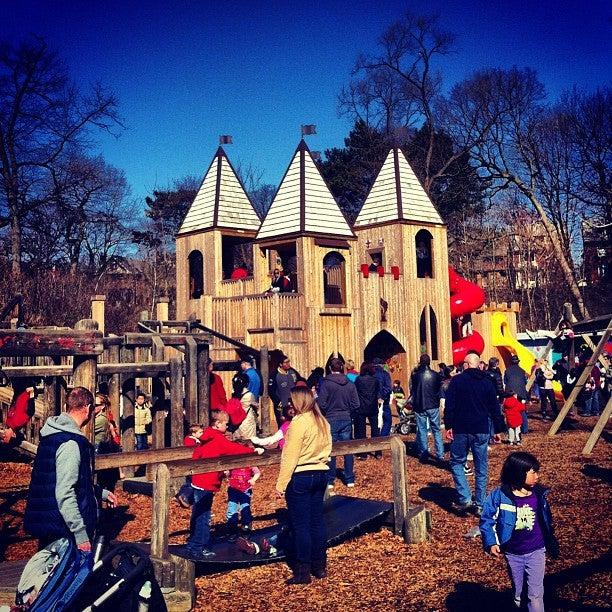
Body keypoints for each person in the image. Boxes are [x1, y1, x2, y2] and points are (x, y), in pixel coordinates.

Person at [24, 387, 117, 551]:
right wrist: (80, 534)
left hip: (50, 521)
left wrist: (100, 493)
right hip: (64, 530)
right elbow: (65, 491)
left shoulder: (52, 435)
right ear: (88, 409)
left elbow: (56, 480)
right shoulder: (70, 444)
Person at [480, 452, 558, 612]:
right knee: (518, 592)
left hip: (536, 550)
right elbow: (487, 519)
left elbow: (546, 520)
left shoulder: (538, 494)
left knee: (535, 594)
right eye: (533, 472)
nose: (537, 476)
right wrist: (491, 542)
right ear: (519, 474)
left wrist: (550, 539)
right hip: (513, 553)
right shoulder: (500, 496)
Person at [186, 410, 262, 560]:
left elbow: (197, 454)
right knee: (203, 517)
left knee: (197, 514)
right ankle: (198, 548)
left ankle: (193, 543)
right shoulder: (218, 439)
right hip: (207, 483)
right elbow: (234, 449)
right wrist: (253, 451)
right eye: (226, 424)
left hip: (198, 480)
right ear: (218, 423)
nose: (227, 427)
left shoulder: (205, 437)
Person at [275, 387, 332, 584]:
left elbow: (290, 456)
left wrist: (280, 485)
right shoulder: (322, 421)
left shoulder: (298, 423)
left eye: (292, 401)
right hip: (321, 472)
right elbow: (328, 448)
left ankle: (302, 571)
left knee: (301, 526)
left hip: (301, 475)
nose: (289, 404)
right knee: (317, 522)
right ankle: (320, 566)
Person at [444, 353, 505, 514]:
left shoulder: (457, 381)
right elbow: (494, 408)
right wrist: (498, 429)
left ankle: (465, 497)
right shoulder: (487, 382)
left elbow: (449, 405)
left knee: (457, 462)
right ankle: (480, 503)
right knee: (481, 466)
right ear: (479, 365)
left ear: (466, 364)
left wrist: (448, 425)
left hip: (461, 428)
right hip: (481, 428)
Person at [317, 358, 359, 491]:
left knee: (331, 450)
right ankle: (349, 478)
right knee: (347, 449)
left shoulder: (326, 384)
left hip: (331, 418)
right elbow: (356, 404)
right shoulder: (350, 383)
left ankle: (330, 480)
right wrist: (348, 412)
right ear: (342, 368)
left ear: (330, 368)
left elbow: (321, 403)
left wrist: (327, 410)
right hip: (346, 418)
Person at [410, 354, 444, 464]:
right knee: (436, 430)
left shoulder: (415, 376)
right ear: (429, 362)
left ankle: (424, 454)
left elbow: (413, 390)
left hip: (420, 405)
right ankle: (440, 454)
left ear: (420, 362)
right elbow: (438, 390)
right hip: (433, 405)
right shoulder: (436, 375)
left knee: (422, 430)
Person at [226, 451, 261, 533]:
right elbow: (227, 472)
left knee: (245, 507)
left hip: (245, 489)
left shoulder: (250, 462)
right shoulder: (232, 462)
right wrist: (226, 473)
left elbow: (257, 472)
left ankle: (246, 525)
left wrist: (253, 479)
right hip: (233, 489)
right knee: (232, 507)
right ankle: (232, 526)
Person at [354, 362, 381, 459]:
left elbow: (355, 392)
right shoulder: (375, 380)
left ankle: (363, 453)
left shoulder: (358, 380)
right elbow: (378, 391)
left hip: (361, 407)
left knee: (362, 431)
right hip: (373, 406)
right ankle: (378, 452)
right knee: (375, 430)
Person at [175, 423, 205, 508]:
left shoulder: (196, 440)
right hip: (191, 465)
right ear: (193, 433)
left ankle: (181, 495)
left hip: (193, 464)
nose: (202, 434)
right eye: (200, 432)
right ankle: (184, 496)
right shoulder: (190, 440)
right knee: (192, 483)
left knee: (188, 482)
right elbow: (192, 450)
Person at [1, 379, 36, 445]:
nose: (3, 435)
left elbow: (13, 406)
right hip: (26, 389)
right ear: (13, 435)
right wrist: (31, 392)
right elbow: (31, 411)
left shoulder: (8, 423)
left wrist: (15, 395)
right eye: (5, 437)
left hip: (18, 391)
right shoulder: (18, 423)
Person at [269, 356, 301, 425]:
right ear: (280, 364)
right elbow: (271, 390)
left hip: (293, 403)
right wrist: (277, 401)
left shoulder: (292, 372)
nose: (288, 364)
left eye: (289, 362)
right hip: (281, 405)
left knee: (294, 424)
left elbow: (300, 381)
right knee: (282, 425)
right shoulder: (274, 374)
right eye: (286, 362)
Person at [504, 354, 529, 434]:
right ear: (518, 362)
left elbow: (505, 382)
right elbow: (525, 382)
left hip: (510, 393)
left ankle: (511, 429)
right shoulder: (522, 371)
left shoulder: (507, 371)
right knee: (522, 411)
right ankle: (524, 429)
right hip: (521, 393)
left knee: (511, 411)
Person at [229, 372, 258, 441]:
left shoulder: (234, 394)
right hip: (247, 418)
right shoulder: (249, 395)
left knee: (238, 441)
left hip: (237, 419)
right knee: (249, 439)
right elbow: (254, 405)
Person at [372, 358, 392, 436]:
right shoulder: (385, 374)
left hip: (372, 401)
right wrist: (382, 397)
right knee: (387, 420)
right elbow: (388, 388)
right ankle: (383, 436)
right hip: (384, 401)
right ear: (381, 365)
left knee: (375, 421)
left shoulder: (371, 374)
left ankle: (376, 437)